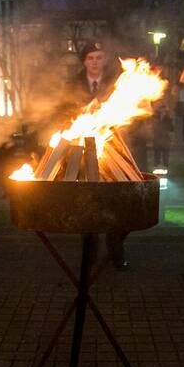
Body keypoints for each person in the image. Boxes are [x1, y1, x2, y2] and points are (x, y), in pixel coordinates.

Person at [68, 42, 130, 268]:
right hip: (83, 154)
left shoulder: (117, 83)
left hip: (113, 151)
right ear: (84, 61)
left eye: (99, 57)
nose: (95, 62)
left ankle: (116, 247)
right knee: (88, 202)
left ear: (104, 59)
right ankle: (89, 253)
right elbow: (63, 114)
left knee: (118, 200)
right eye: (90, 58)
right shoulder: (72, 85)